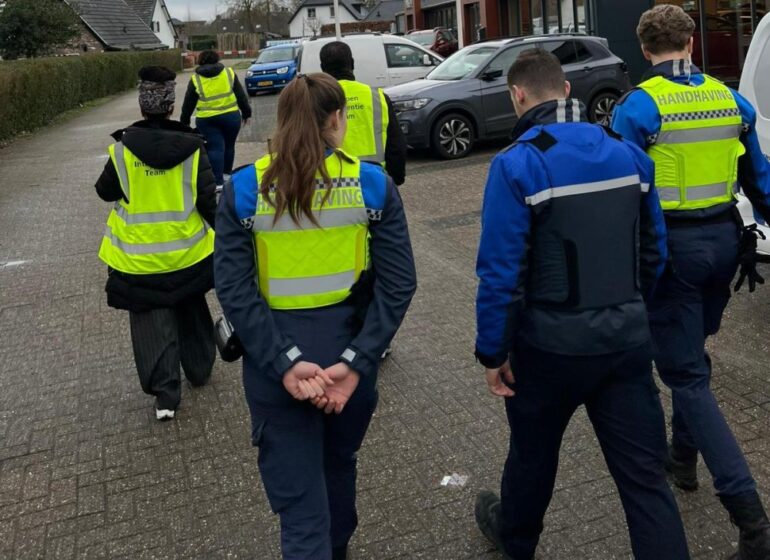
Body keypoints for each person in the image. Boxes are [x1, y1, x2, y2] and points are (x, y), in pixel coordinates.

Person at [473, 49, 690, 560]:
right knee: (645, 479)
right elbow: (654, 250)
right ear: (567, 90)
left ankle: (516, 542)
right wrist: (631, 307)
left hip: (549, 350)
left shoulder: (518, 164)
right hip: (625, 343)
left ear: (517, 96)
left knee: (532, 457)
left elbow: (501, 272)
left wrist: (493, 352)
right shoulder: (628, 154)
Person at [214, 73, 416, 560]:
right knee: (339, 464)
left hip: (276, 365)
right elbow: (398, 284)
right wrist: (357, 360)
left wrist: (283, 361)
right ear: (336, 119)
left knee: (302, 513)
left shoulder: (245, 189)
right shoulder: (372, 185)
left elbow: (235, 290)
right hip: (349, 359)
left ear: (282, 120)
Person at [611, 6, 770, 558]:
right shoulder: (731, 100)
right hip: (725, 247)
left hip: (670, 253)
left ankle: (752, 520)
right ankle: (682, 459)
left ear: (644, 48)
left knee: (686, 376)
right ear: (692, 42)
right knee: (690, 354)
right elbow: (760, 179)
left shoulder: (638, 107)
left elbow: (621, 192)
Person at [95, 66, 217, 421]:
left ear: (142, 104)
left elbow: (104, 192)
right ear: (170, 105)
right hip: (188, 254)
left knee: (150, 324)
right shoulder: (193, 149)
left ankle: (165, 396)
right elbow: (209, 202)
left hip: (139, 261)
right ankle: (199, 369)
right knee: (192, 309)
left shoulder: (122, 151)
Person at [320, 41, 407, 186]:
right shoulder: (377, 97)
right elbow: (396, 143)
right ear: (352, 63)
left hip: (334, 185)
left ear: (323, 68)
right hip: (376, 182)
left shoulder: (317, 100)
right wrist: (395, 179)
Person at [180, 50, 252, 188]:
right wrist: (246, 113)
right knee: (229, 146)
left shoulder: (196, 79)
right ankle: (226, 175)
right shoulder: (229, 73)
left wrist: (185, 121)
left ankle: (217, 181)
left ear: (200, 61)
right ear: (217, 59)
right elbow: (240, 95)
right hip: (231, 117)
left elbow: (188, 103)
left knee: (215, 148)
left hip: (207, 120)